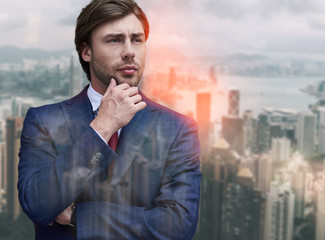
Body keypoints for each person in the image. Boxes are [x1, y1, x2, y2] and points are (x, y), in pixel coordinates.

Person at [17, 0, 201, 239]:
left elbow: (178, 226)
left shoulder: (177, 128)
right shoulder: (44, 120)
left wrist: (79, 217)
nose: (129, 51)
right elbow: (37, 204)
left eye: (137, 39)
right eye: (114, 40)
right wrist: (102, 128)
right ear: (86, 51)